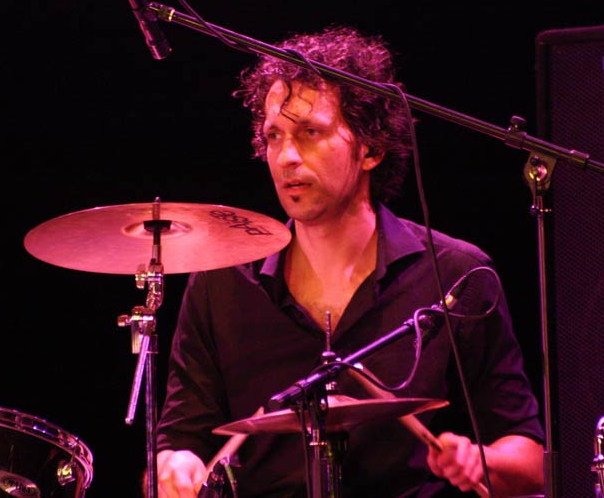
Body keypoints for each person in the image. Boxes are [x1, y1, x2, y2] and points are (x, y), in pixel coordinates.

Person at [153, 25, 545, 497]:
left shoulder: (457, 276)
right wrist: (175, 466)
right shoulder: (222, 282)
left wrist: (479, 460)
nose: (286, 157)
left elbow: (530, 460)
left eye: (310, 133)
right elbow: (178, 443)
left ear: (371, 148)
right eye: (274, 136)